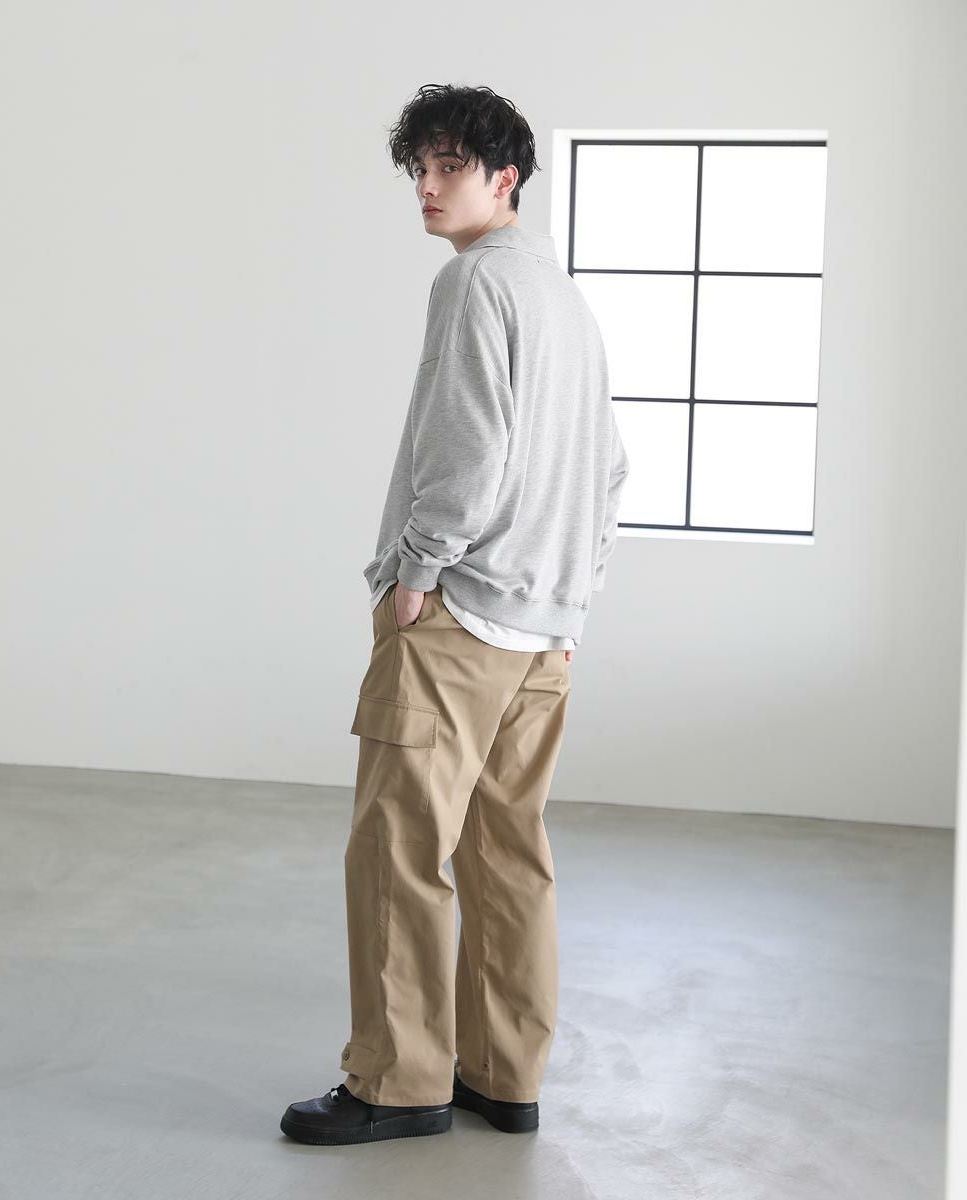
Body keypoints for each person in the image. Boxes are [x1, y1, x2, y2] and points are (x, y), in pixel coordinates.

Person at [281, 83, 630, 1146]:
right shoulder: (565, 299)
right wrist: (573, 597)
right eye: (419, 170)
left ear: (504, 177)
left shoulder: (477, 283)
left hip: (461, 618)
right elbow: (611, 469)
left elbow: (470, 449)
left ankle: (398, 1084)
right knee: (507, 852)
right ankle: (503, 1077)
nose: (427, 189)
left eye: (449, 168)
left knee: (398, 849)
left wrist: (418, 570)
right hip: (544, 633)